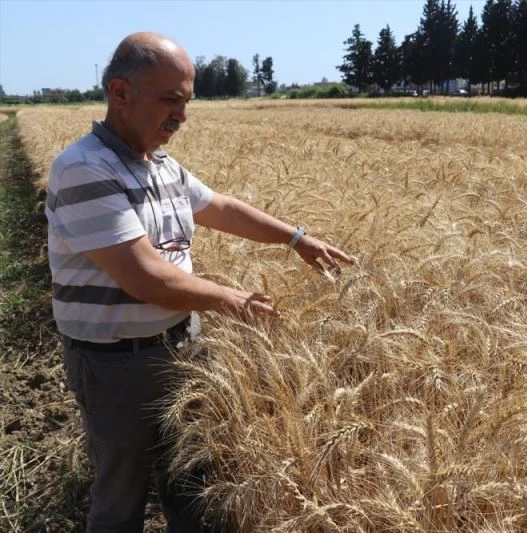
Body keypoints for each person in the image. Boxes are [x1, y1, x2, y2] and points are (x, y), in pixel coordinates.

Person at [45, 32, 353, 532]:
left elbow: (220, 207)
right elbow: (145, 276)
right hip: (116, 367)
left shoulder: (160, 166)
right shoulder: (84, 169)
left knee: (192, 486)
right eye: (171, 99)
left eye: (186, 102)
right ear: (120, 93)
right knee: (120, 498)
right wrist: (236, 302)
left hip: (183, 350)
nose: (182, 117)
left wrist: (297, 238)